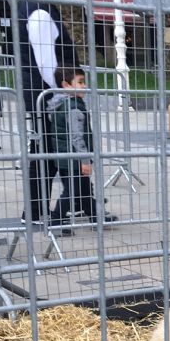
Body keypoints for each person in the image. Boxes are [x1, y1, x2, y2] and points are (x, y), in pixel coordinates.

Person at [15, 0, 79, 226]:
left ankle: (46, 209)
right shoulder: (39, 10)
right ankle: (41, 210)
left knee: (49, 150)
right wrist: (58, 94)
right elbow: (45, 62)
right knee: (51, 151)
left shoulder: (39, 7)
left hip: (45, 93)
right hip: (48, 94)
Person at [46, 66, 100, 231]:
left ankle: (96, 218)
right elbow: (77, 137)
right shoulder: (73, 107)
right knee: (71, 192)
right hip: (74, 158)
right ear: (66, 85)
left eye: (84, 82)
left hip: (65, 156)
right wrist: (85, 160)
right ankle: (56, 221)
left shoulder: (61, 104)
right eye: (80, 82)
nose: (84, 86)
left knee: (83, 189)